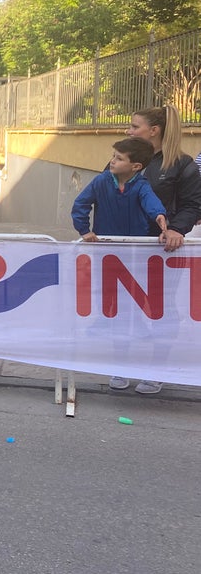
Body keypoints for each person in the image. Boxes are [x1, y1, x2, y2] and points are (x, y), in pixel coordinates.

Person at [118, 104, 201, 393]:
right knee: (121, 308)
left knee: (161, 310)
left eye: (134, 126)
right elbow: (104, 192)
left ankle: (156, 369)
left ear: (153, 130)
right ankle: (119, 366)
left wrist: (177, 229)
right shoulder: (123, 157)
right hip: (123, 249)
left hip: (162, 252)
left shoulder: (182, 164)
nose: (128, 131)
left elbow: (192, 205)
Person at [71, 138, 167, 243]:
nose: (112, 161)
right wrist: (84, 231)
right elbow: (81, 203)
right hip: (104, 243)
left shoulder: (142, 185)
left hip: (135, 244)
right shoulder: (101, 181)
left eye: (119, 159)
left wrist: (159, 214)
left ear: (136, 166)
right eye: (113, 156)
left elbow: (150, 200)